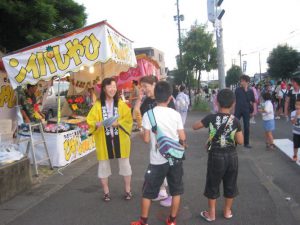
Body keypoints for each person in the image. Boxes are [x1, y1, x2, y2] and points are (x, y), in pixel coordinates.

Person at [131, 81, 186, 225]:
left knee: (147, 192)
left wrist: (142, 131)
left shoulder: (149, 114)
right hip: (175, 158)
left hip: (157, 160)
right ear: (170, 98)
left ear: (155, 96)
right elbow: (182, 137)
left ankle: (143, 222)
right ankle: (172, 220)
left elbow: (146, 139)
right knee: (176, 191)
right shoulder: (175, 114)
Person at [192, 89, 244, 222]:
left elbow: (195, 126)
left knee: (212, 183)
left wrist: (210, 133)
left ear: (216, 101)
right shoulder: (236, 120)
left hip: (215, 156)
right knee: (230, 183)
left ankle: (212, 214)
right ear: (233, 104)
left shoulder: (211, 118)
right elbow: (240, 141)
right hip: (232, 156)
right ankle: (227, 211)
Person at [86, 78, 133, 202]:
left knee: (125, 165)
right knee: (103, 167)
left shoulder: (121, 104)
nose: (112, 89)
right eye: (109, 87)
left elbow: (128, 119)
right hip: (103, 140)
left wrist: (119, 123)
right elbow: (90, 120)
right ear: (104, 89)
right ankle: (106, 192)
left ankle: (128, 190)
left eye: (114, 86)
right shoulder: (97, 105)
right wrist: (96, 124)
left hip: (121, 140)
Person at [134, 75, 175, 207]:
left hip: (167, 141)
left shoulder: (166, 100)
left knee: (170, 167)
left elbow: (172, 120)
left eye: (146, 86)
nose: (144, 89)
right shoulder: (146, 102)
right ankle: (162, 191)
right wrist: (139, 100)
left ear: (155, 85)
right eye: (142, 87)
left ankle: (173, 196)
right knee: (159, 166)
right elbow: (136, 114)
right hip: (154, 141)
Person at [234, 75, 255, 148]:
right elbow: (234, 101)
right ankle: (234, 142)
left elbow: (253, 101)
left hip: (246, 110)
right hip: (238, 110)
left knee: (247, 127)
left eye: (242, 81)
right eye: (241, 80)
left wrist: (253, 112)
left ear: (247, 82)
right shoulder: (237, 90)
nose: (241, 82)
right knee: (234, 125)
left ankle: (246, 143)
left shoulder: (250, 91)